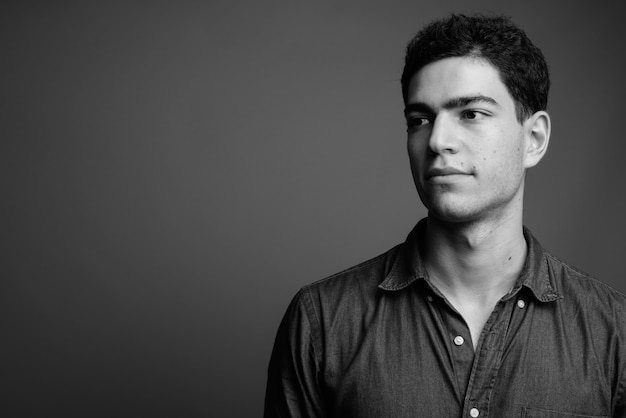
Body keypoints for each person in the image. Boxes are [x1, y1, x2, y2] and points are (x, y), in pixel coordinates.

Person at [264, 14, 626, 418]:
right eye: (419, 120)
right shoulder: (323, 323)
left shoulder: (613, 331)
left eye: (470, 113)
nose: (436, 141)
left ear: (534, 139)